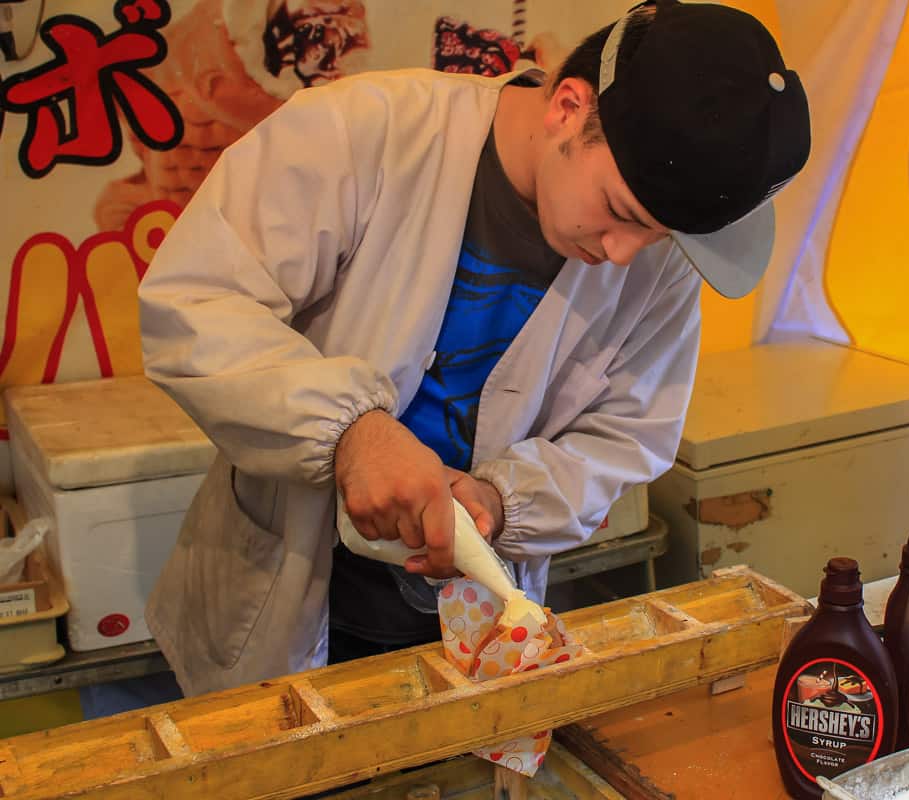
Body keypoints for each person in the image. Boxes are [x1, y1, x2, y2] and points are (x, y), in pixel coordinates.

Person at [138, 0, 811, 696]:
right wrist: (351, 433)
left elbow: (626, 438)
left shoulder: (654, 253)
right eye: (620, 213)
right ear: (568, 108)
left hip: (470, 621)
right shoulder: (366, 131)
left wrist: (500, 496)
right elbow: (197, 301)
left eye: (657, 236)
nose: (621, 255)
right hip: (281, 594)